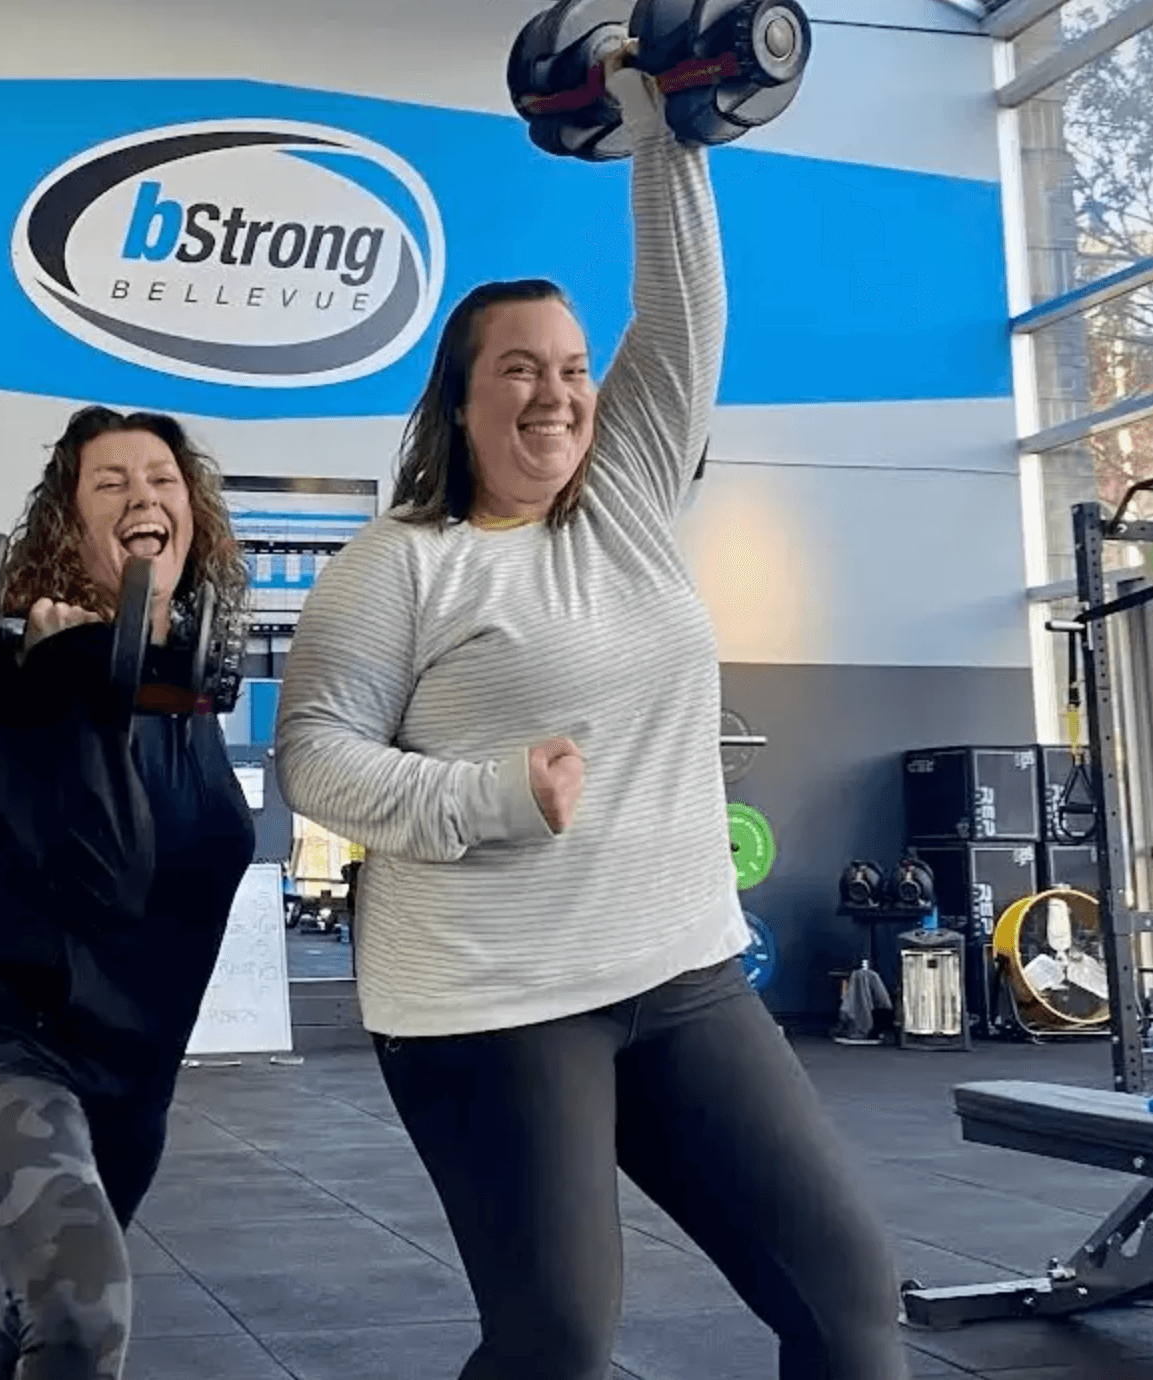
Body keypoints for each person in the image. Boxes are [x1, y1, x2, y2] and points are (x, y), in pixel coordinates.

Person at [274, 52, 909, 1380]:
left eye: (570, 367)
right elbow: (314, 763)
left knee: (848, 1303)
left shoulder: (622, 498)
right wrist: (484, 795)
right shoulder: (394, 563)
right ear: (461, 397)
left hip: (678, 973)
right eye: (518, 369)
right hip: (486, 1000)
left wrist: (662, 125)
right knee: (558, 1341)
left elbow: (682, 311)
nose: (556, 391)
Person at [0, 405, 256, 1380]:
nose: (143, 498)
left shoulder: (185, 691)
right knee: (82, 1309)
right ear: (66, 522)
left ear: (193, 514)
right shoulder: (15, 675)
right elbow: (105, 874)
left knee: (41, 1308)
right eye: (110, 483)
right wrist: (73, 684)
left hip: (129, 1063)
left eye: (162, 480)